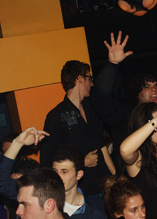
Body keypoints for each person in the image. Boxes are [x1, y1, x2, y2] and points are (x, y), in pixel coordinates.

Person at [91, 32, 157, 185]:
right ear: (137, 93)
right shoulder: (126, 116)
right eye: (147, 86)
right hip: (138, 192)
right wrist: (111, 65)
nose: (154, 90)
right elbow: (100, 100)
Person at [40, 59, 115, 197]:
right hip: (81, 193)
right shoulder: (56, 116)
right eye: (89, 79)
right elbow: (47, 161)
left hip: (105, 187)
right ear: (79, 79)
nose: (91, 84)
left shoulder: (91, 108)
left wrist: (116, 179)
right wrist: (82, 163)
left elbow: (102, 147)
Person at [52, 146, 109, 219]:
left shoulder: (95, 213)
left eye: (64, 172)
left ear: (79, 175)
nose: (58, 176)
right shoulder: (44, 205)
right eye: (55, 171)